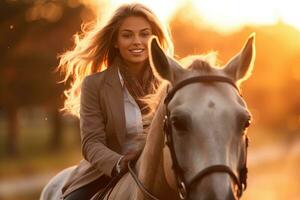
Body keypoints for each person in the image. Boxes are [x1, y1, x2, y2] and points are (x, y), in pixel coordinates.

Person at [57, 3, 174, 199]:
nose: (137, 41)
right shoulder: (94, 85)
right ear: (115, 42)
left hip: (160, 174)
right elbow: (91, 143)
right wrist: (121, 164)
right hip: (107, 172)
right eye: (127, 35)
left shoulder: (170, 84)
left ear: (155, 40)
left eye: (144, 34)